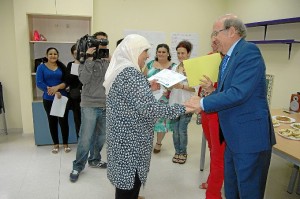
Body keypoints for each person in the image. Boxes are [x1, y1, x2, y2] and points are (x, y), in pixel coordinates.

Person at [185, 14, 276, 199]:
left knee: (248, 191)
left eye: (215, 32)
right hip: (231, 136)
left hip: (249, 138)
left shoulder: (249, 51)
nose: (213, 37)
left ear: (232, 31)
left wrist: (202, 103)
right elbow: (230, 92)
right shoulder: (227, 57)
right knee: (232, 190)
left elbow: (239, 93)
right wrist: (212, 92)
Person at [103, 34, 193, 199]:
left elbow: (128, 95)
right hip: (131, 142)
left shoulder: (121, 70)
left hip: (121, 137)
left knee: (124, 180)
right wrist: (185, 108)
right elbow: (151, 109)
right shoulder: (131, 74)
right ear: (134, 51)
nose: (147, 56)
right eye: (145, 51)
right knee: (129, 181)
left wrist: (146, 86)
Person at [69, 31, 110, 183]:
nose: (101, 44)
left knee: (101, 136)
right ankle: (78, 166)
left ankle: (94, 160)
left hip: (106, 104)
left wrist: (109, 60)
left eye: (103, 41)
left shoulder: (108, 61)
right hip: (90, 105)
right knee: (85, 138)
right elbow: (84, 79)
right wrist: (89, 59)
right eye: (97, 41)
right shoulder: (84, 59)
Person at [197, 39, 225, 199]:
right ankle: (212, 181)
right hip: (206, 110)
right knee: (212, 149)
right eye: (213, 37)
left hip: (219, 113)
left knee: (218, 154)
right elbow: (201, 84)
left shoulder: (230, 62)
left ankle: (213, 194)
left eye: (218, 36)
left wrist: (212, 89)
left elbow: (230, 93)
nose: (214, 41)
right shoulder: (209, 57)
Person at [36, 47, 71, 153]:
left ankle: (65, 143)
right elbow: (39, 82)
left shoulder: (61, 67)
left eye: (55, 54)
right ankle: (55, 144)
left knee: (63, 121)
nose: (53, 56)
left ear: (58, 55)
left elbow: (67, 81)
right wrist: (53, 91)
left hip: (61, 98)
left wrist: (58, 87)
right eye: (50, 54)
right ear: (46, 55)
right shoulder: (41, 67)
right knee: (52, 121)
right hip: (48, 98)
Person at [144, 43, 176, 153]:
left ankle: (158, 143)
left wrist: (162, 69)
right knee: (148, 121)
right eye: (159, 51)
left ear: (168, 54)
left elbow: (175, 83)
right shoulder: (150, 64)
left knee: (161, 122)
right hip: (150, 98)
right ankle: (147, 142)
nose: (161, 54)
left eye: (163, 52)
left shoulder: (173, 66)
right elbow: (143, 78)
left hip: (165, 98)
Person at [169, 40, 195, 164]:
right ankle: (177, 152)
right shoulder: (174, 67)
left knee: (182, 130)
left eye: (183, 53)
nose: (180, 56)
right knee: (175, 129)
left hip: (187, 103)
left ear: (189, 53)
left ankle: (182, 152)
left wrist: (182, 87)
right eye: (178, 53)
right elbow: (171, 85)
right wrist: (168, 85)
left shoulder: (193, 67)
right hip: (174, 102)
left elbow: (195, 88)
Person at [66, 44, 82, 139]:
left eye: (80, 53)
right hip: (75, 98)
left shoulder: (87, 63)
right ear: (72, 54)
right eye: (76, 53)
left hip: (87, 96)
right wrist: (76, 64)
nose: (78, 55)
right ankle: (80, 141)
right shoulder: (70, 65)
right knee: (78, 121)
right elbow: (68, 80)